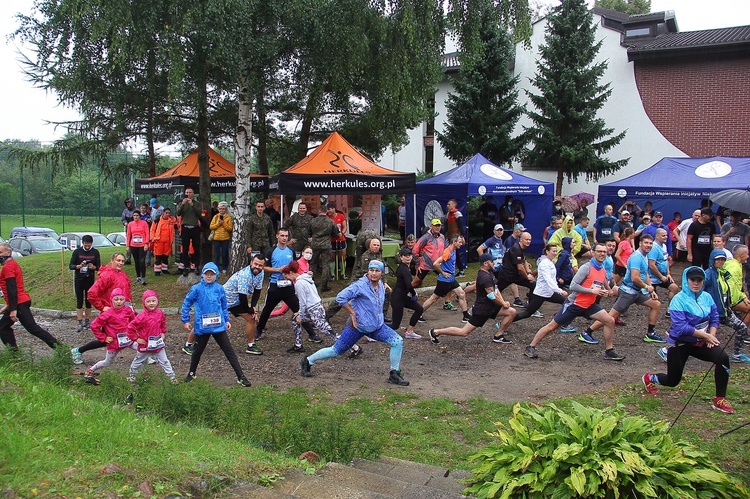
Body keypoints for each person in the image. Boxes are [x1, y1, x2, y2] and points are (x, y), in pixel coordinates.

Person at [299, 260, 409, 386]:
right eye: (371, 270)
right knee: (335, 351)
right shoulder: (360, 286)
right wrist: (352, 313)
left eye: (377, 271)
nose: (373, 273)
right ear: (367, 271)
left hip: (376, 326)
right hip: (357, 327)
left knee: (397, 341)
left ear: (382, 273)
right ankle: (307, 361)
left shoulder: (380, 285)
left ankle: (394, 374)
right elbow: (341, 297)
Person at [642, 266, 734, 414]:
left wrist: (711, 335)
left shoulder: (707, 297)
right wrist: (706, 335)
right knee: (673, 381)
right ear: (686, 280)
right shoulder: (678, 299)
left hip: (701, 342)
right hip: (680, 343)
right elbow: (681, 327)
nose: (696, 283)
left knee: (722, 358)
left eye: (699, 280)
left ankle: (720, 399)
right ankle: (650, 378)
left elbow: (715, 318)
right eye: (693, 280)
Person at [524, 244, 621, 360]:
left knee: (609, 320)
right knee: (552, 326)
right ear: (593, 252)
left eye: (604, 252)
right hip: (574, 304)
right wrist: (592, 291)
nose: (602, 254)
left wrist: (607, 290)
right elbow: (573, 286)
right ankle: (531, 346)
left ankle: (609, 351)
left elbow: (602, 279)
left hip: (589, 305)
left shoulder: (602, 268)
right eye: (599, 251)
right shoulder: (586, 267)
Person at [581, 233, 665, 345]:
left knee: (656, 304)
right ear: (640, 243)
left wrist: (651, 290)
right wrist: (646, 287)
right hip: (628, 292)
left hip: (637, 291)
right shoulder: (636, 257)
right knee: (610, 317)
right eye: (646, 242)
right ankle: (587, 332)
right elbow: (635, 278)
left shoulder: (645, 256)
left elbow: (645, 274)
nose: (648, 245)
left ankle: (650, 333)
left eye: (650, 243)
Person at [181, 262, 251, 386]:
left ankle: (241, 376)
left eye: (211, 274)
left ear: (216, 275)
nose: (209, 276)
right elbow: (186, 304)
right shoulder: (196, 289)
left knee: (229, 350)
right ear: (202, 275)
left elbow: (224, 306)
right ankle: (191, 374)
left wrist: (227, 320)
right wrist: (186, 320)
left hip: (218, 326)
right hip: (203, 327)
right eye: (206, 274)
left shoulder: (219, 288)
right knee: (197, 351)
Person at [428, 253, 517, 344]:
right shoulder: (484, 277)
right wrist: (503, 303)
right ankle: (435, 332)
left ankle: (499, 335)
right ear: (485, 264)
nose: (494, 263)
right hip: (482, 310)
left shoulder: (490, 273)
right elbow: (491, 296)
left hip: (492, 307)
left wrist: (503, 302)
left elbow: (496, 289)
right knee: (463, 332)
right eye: (491, 261)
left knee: (511, 312)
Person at [72, 252, 133, 364]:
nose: (120, 263)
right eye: (118, 260)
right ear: (112, 261)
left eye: (123, 261)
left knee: (131, 331)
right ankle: (78, 351)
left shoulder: (123, 274)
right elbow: (92, 293)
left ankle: (146, 353)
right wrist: (102, 307)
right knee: (106, 339)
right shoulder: (107, 275)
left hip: (123, 311)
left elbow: (127, 293)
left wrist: (129, 307)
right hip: (111, 314)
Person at [0, 243, 60, 351]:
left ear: (8, 252)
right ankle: (13, 353)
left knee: (32, 328)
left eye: (0, 252)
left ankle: (61, 349)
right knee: (3, 326)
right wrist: (8, 307)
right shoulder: (11, 264)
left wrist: (13, 309)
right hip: (17, 302)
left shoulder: (8, 267)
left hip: (19, 303)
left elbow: (12, 289)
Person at [282, 260, 347, 354]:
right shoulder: (306, 279)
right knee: (295, 319)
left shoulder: (299, 284)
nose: (287, 279)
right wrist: (300, 314)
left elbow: (303, 302)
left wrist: (300, 315)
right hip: (316, 307)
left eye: (286, 276)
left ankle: (352, 346)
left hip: (314, 309)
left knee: (328, 331)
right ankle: (298, 345)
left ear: (291, 272)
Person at [702, 249, 750, 363]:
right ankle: (669, 350)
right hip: (711, 312)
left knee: (742, 328)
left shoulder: (722, 273)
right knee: (693, 334)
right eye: (718, 259)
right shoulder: (708, 274)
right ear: (712, 260)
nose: (720, 261)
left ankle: (737, 355)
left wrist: (740, 297)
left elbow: (731, 288)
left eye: (722, 259)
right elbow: (699, 289)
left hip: (725, 310)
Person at [81, 287, 137, 385]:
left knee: (142, 349)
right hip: (114, 343)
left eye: (121, 299)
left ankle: (133, 375)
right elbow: (94, 326)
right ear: (111, 300)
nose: (119, 302)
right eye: (116, 299)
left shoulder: (127, 310)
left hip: (128, 340)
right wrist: (104, 338)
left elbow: (134, 321)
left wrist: (134, 332)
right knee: (107, 362)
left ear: (124, 300)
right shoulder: (107, 313)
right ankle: (90, 372)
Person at [255, 228, 300, 341]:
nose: (284, 238)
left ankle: (311, 333)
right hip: (275, 284)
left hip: (288, 285)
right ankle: (259, 330)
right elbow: (264, 267)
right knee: (267, 310)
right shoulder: (271, 251)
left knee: (298, 309)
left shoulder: (291, 251)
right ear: (277, 236)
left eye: (286, 236)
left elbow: (294, 266)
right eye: (282, 236)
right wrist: (278, 270)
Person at [512, 244, 571, 328]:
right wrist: (560, 291)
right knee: (527, 313)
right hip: (541, 293)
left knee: (566, 303)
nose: (555, 253)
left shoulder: (550, 262)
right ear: (547, 252)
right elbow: (548, 280)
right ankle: (504, 322)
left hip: (549, 292)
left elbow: (552, 279)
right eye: (553, 251)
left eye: (556, 251)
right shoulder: (544, 264)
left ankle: (562, 322)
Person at [126, 290, 176, 384]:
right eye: (148, 301)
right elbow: (130, 327)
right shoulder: (141, 317)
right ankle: (132, 376)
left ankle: (172, 377)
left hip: (158, 344)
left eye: (153, 301)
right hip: (145, 345)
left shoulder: (160, 313)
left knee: (165, 361)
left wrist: (163, 332)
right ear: (144, 303)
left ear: (157, 301)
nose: (151, 303)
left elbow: (162, 323)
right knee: (137, 361)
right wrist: (136, 339)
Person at [420, 235, 472, 323]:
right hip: (444, 281)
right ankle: (418, 313)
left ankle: (465, 316)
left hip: (451, 279)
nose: (461, 244)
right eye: (459, 242)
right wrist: (443, 272)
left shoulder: (454, 250)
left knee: (462, 294)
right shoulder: (447, 252)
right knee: (434, 298)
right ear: (454, 242)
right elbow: (436, 263)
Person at [223, 253, 265, 356]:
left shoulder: (261, 273)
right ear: (251, 262)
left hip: (236, 301)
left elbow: (257, 291)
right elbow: (242, 296)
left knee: (251, 319)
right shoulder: (245, 275)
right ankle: (190, 343)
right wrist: (249, 310)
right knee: (208, 321)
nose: (257, 267)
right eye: (255, 264)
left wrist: (253, 307)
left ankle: (251, 345)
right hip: (224, 299)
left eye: (260, 265)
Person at [69, 234, 101, 332]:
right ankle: (79, 321)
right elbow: (71, 266)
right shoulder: (77, 252)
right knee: (79, 300)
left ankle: (87, 320)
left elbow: (99, 267)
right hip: (79, 279)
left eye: (89, 245)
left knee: (89, 300)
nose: (87, 246)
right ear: (82, 243)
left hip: (89, 278)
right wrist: (78, 266)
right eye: (85, 244)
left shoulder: (95, 252)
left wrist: (93, 267)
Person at [390, 248, 423, 339]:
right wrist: (413, 294)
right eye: (405, 256)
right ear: (401, 258)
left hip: (403, 297)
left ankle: (409, 331)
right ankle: (373, 332)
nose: (408, 258)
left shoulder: (406, 268)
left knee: (419, 309)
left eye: (409, 256)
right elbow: (409, 285)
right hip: (397, 298)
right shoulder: (403, 269)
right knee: (395, 325)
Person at [497, 232, 536, 308]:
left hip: (516, 275)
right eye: (526, 239)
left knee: (533, 284)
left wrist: (528, 271)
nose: (528, 241)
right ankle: (479, 307)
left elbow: (524, 260)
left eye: (530, 240)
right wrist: (527, 277)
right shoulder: (516, 249)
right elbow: (520, 268)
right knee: (495, 290)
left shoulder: (522, 248)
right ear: (521, 240)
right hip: (507, 275)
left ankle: (531, 307)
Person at [647, 228, 679, 311]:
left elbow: (665, 261)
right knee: (654, 302)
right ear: (657, 236)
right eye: (663, 235)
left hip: (663, 276)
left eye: (666, 235)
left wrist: (668, 273)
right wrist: (661, 276)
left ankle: (670, 310)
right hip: (652, 278)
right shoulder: (653, 247)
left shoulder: (664, 246)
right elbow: (651, 265)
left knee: (674, 288)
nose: (666, 237)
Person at [309, 205, 339, 292]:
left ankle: (311, 282)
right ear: (326, 211)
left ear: (319, 211)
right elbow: (336, 233)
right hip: (326, 244)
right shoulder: (330, 221)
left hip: (315, 244)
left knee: (313, 263)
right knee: (326, 265)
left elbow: (309, 231)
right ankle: (324, 285)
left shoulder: (313, 221)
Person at [176, 187, 203, 277]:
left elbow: (199, 213)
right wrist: (183, 204)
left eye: (190, 192)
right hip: (185, 227)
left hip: (195, 227)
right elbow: (178, 213)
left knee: (196, 248)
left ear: (193, 194)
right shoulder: (182, 203)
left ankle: (196, 266)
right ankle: (185, 267)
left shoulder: (197, 203)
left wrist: (192, 205)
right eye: (187, 192)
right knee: (185, 249)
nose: (188, 194)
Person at [411, 219, 445, 288]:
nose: (437, 227)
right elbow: (415, 250)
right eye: (435, 226)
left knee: (448, 279)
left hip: (438, 265)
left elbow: (445, 250)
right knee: (416, 282)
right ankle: (403, 294)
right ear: (431, 226)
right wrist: (418, 263)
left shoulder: (442, 237)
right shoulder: (426, 237)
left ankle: (448, 298)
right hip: (425, 264)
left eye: (439, 226)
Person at [150, 206, 176, 276]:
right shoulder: (157, 220)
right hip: (158, 241)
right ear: (163, 213)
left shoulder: (171, 221)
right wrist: (152, 238)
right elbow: (152, 230)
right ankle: (157, 271)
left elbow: (177, 223)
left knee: (165, 256)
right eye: (166, 213)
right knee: (158, 256)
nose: (168, 214)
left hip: (167, 242)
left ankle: (164, 270)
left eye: (169, 213)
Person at [209, 201, 233, 274]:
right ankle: (216, 268)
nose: (222, 210)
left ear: (226, 209)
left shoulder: (229, 217)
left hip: (225, 239)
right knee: (217, 255)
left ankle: (225, 267)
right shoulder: (215, 217)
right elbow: (211, 226)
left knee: (224, 254)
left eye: (223, 209)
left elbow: (230, 228)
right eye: (220, 209)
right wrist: (218, 224)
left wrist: (223, 223)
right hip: (216, 238)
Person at [127, 210, 150, 285]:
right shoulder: (130, 224)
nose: (136, 217)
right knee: (136, 261)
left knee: (142, 261)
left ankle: (143, 277)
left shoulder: (144, 223)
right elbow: (128, 235)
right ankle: (138, 277)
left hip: (142, 245)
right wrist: (127, 245)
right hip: (133, 245)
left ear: (139, 216)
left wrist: (146, 243)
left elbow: (147, 233)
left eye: (137, 215)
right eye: (134, 215)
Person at [445, 199, 466, 276]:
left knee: (456, 253)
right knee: (451, 253)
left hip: (456, 237)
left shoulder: (457, 214)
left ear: (454, 205)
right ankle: (451, 269)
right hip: (450, 237)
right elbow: (446, 226)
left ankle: (461, 271)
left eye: (449, 204)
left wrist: (462, 236)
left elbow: (461, 226)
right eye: (447, 204)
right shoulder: (448, 214)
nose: (448, 206)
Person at [327, 203, 348, 280]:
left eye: (329, 209)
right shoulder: (327, 217)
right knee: (332, 257)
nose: (328, 211)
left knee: (342, 257)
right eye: (327, 209)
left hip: (340, 239)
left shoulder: (340, 216)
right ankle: (332, 275)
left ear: (333, 209)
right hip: (331, 240)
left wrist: (341, 233)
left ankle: (343, 273)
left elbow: (345, 227)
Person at [121, 198, 135, 264]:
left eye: (129, 203)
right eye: (127, 203)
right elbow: (123, 219)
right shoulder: (125, 211)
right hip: (128, 229)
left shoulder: (136, 210)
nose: (128, 204)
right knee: (128, 243)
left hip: (136, 230)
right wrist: (125, 223)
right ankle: (128, 258)